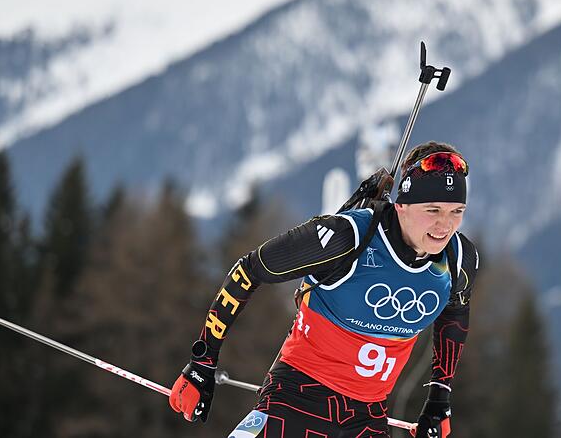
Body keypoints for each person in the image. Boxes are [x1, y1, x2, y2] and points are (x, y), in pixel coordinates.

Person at [169, 141, 480, 438]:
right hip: (298, 399)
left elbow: (455, 314)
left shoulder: (458, 259)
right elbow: (249, 270)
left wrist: (440, 398)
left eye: (456, 212)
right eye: (433, 210)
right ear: (402, 205)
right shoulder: (348, 237)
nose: (445, 226)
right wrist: (203, 363)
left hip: (367, 416)